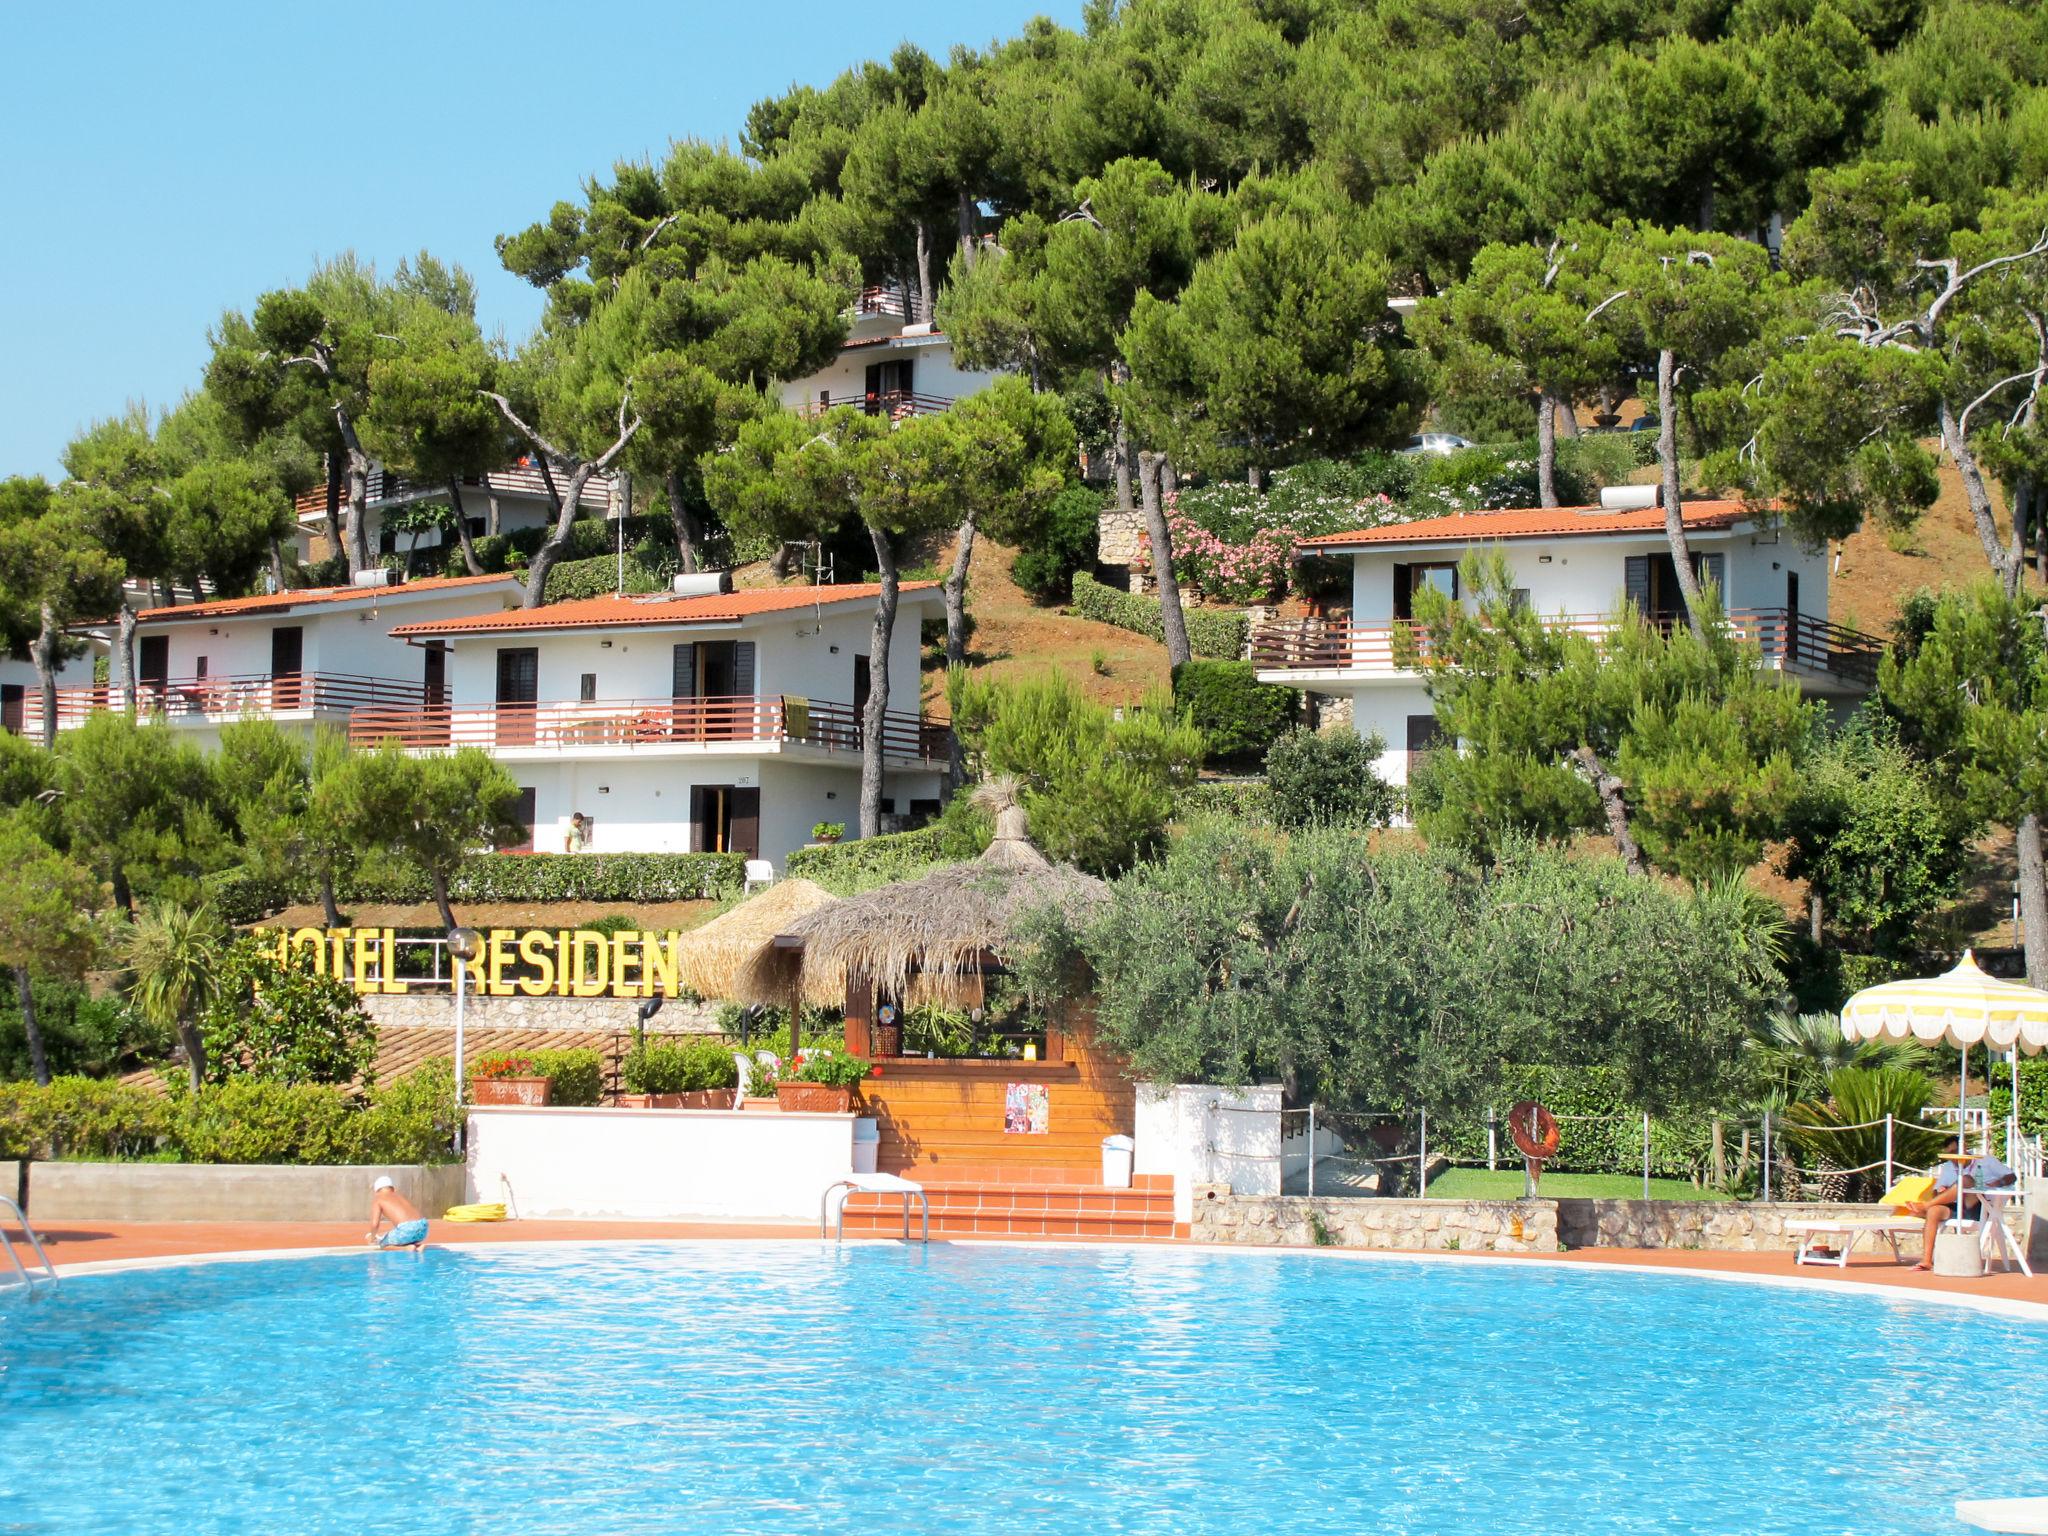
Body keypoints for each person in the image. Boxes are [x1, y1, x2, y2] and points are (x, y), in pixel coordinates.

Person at [1909, 1151, 2016, 1270]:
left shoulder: (1985, 1161)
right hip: (1956, 1207)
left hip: (1982, 1207)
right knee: (1933, 1211)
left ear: (1964, 1149)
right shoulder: (1948, 1167)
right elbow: (1935, 1191)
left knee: (1966, 1180)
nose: (1954, 1156)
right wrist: (1942, 1191)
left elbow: (2012, 1177)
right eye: (1950, 1153)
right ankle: (1927, 1260)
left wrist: (1999, 1182)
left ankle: (1925, 1206)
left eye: (1955, 1152)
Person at [366, 1176, 429, 1251]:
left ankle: (407, 1248)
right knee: (406, 1236)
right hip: (423, 1227)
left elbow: (375, 1224)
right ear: (392, 1188)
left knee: (383, 1244)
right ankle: (418, 1246)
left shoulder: (378, 1198)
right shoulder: (399, 1196)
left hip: (407, 1229)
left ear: (376, 1190)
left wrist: (372, 1238)